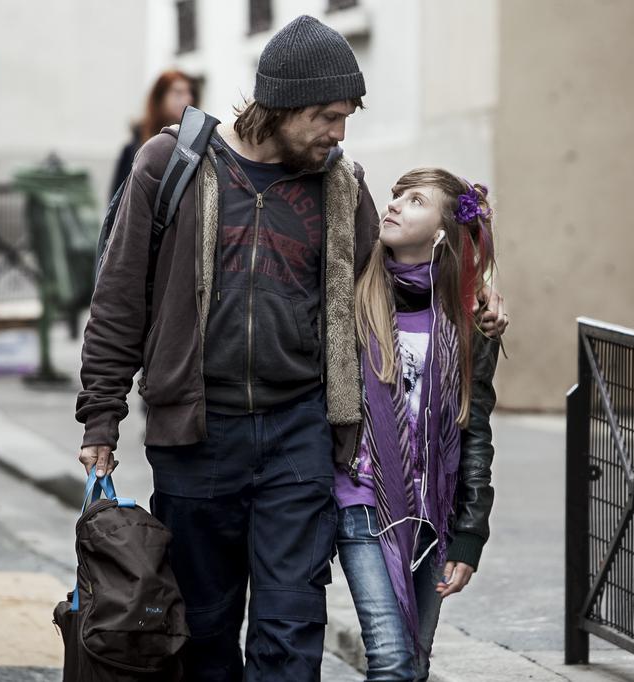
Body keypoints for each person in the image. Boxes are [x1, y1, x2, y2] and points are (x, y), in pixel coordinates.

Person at [75, 15, 507, 682]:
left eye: (345, 118)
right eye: (327, 117)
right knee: (204, 634)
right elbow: (120, 296)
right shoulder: (172, 164)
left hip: (299, 436)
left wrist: (472, 291)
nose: (338, 133)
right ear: (279, 104)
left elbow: (385, 291)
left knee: (289, 631)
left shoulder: (338, 184)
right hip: (194, 438)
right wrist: (100, 414)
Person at [335, 168, 500, 681]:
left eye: (415, 200)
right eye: (396, 197)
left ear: (443, 230)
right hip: (361, 499)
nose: (396, 205)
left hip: (434, 511)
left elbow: (475, 434)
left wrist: (470, 534)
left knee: (416, 663)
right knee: (391, 657)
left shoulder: (468, 322)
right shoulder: (353, 299)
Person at [109, 69, 198, 201]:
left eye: (189, 92)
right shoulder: (133, 148)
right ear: (160, 98)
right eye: (178, 93)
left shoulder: (195, 144)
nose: (188, 98)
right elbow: (117, 200)